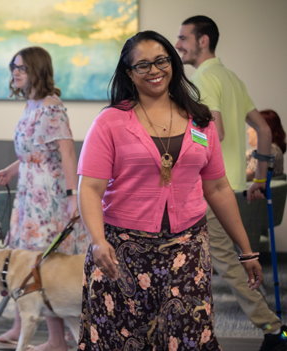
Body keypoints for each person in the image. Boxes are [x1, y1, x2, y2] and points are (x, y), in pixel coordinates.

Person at [77, 30, 263, 350]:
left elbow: (218, 188)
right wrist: (97, 242)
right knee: (124, 339)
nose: (155, 70)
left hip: (187, 250)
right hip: (123, 252)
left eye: (161, 60)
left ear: (174, 64)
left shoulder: (200, 121)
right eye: (143, 65)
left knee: (190, 335)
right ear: (129, 74)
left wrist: (246, 250)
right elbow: (90, 189)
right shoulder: (109, 122)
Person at [176, 16, 287, 351]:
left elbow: (215, 133)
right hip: (233, 186)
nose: (178, 43)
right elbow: (264, 131)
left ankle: (273, 330)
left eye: (183, 38)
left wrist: (178, 141)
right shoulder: (231, 77)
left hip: (209, 190)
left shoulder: (204, 80)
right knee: (204, 263)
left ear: (203, 40)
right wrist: (259, 179)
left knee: (230, 265)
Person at [0, 46, 89, 351]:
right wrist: (10, 169)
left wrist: (73, 197)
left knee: (45, 265)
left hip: (49, 198)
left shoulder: (51, 107)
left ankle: (58, 339)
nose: (15, 73)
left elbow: (66, 152)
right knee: (31, 262)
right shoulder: (32, 104)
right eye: (13, 67)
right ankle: (45, 334)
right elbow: (34, 152)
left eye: (21, 68)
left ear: (37, 70)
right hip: (29, 196)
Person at [246, 110, 285, 180]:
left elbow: (251, 174)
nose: (248, 131)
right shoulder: (273, 149)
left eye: (251, 126)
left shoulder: (270, 149)